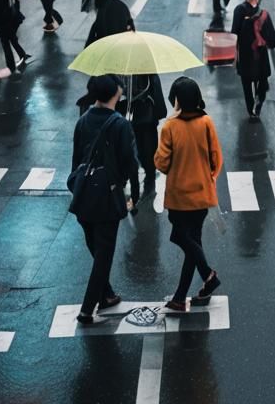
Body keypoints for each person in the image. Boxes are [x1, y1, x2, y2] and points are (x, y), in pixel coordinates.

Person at [69, 75, 138, 325]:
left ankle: (106, 294)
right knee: (104, 254)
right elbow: (129, 163)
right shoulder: (120, 124)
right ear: (116, 93)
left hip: (83, 193)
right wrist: (130, 191)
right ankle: (87, 309)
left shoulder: (83, 121)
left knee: (96, 248)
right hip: (107, 195)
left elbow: (76, 160)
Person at [154, 77, 224, 313]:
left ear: (176, 100)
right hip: (202, 195)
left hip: (179, 197)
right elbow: (216, 159)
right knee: (194, 241)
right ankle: (182, 295)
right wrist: (208, 177)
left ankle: (207, 276)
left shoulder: (170, 127)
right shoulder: (206, 122)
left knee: (180, 236)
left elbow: (161, 163)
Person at [231, 0, 275, 120]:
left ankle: (251, 110)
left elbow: (234, 32)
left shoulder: (239, 10)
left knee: (246, 84)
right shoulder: (263, 14)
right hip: (261, 54)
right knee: (262, 81)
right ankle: (258, 106)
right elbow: (272, 38)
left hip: (245, 54)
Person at [126, 74, 166, 196]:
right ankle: (150, 176)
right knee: (149, 148)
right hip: (147, 116)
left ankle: (145, 174)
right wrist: (160, 111)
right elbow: (156, 89)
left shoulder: (124, 71)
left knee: (138, 148)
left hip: (131, 114)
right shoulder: (148, 69)